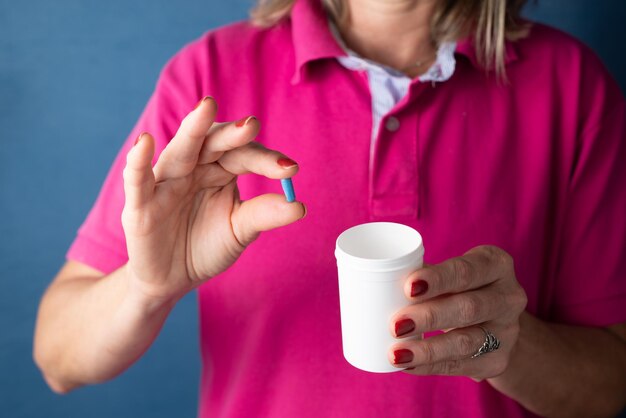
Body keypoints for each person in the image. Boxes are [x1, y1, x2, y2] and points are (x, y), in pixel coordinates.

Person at [34, 0, 626, 416]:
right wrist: (146, 285)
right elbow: (57, 358)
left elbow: (609, 388)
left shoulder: (572, 85)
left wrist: (507, 346)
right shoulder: (209, 79)